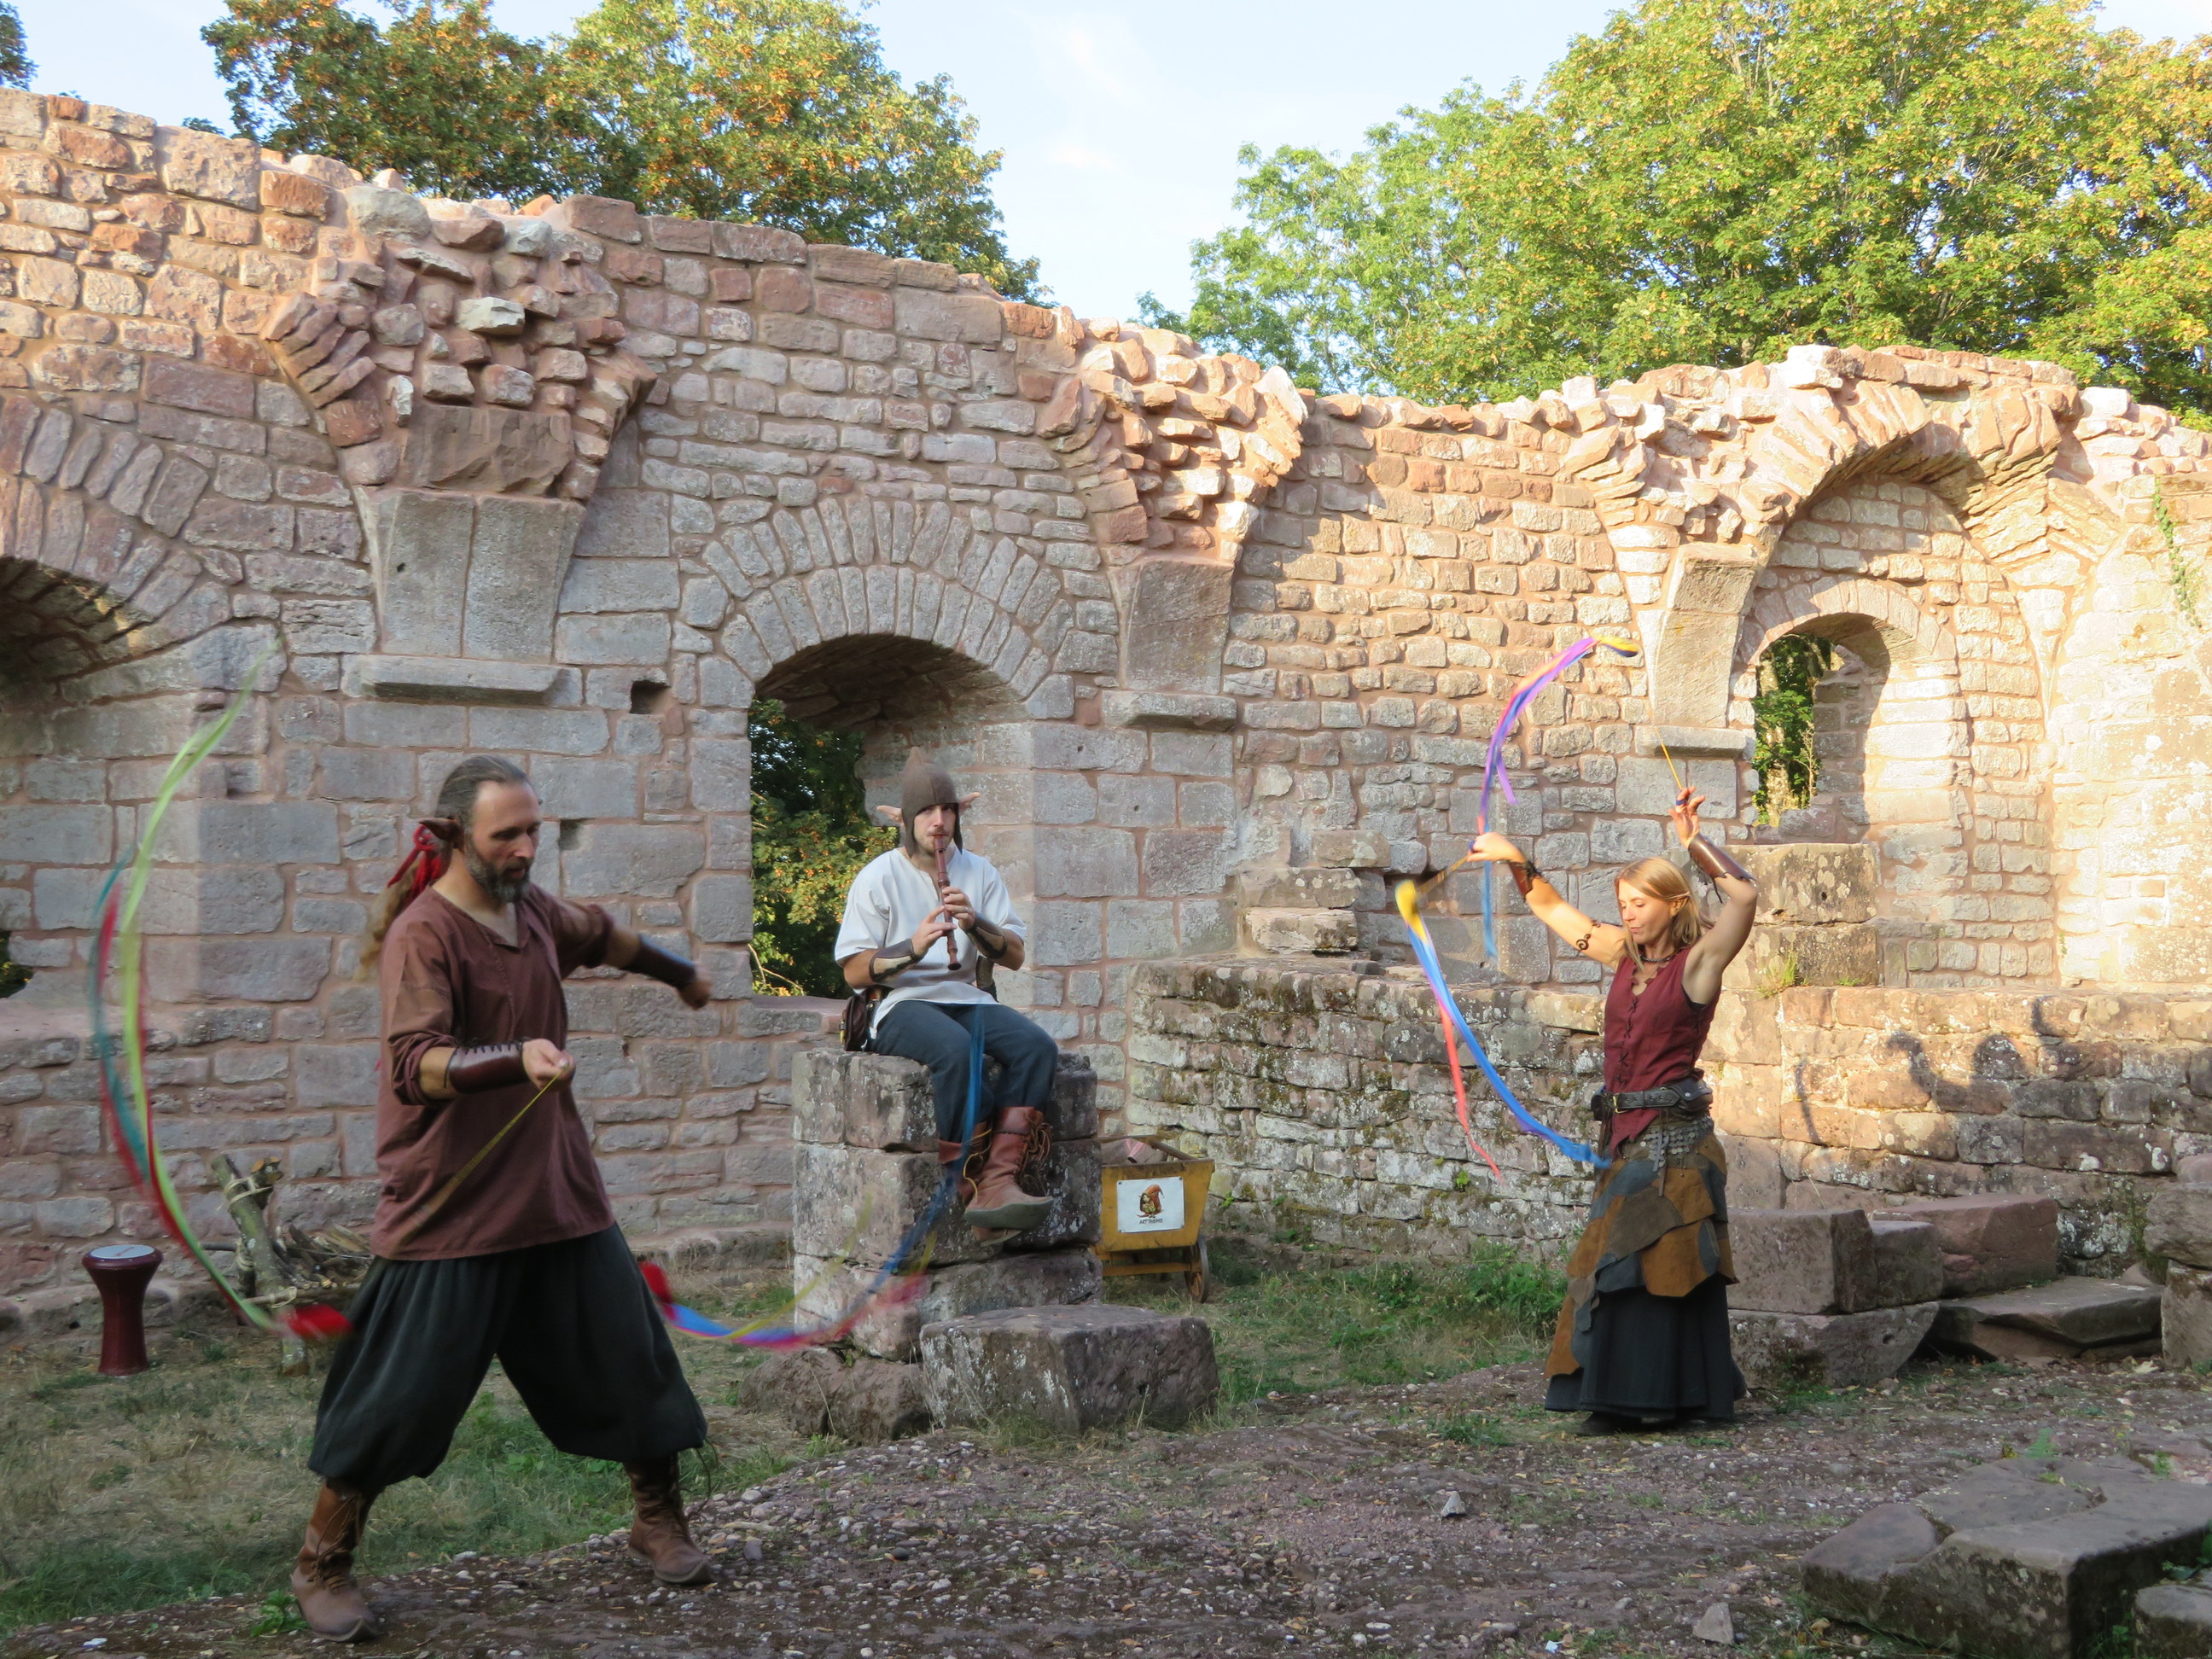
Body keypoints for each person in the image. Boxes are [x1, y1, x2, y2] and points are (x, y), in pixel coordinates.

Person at [292, 755, 720, 1641]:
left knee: (629, 1358)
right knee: (395, 1395)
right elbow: (415, 1067)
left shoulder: (535, 914)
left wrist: (680, 973)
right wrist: (514, 1058)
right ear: (455, 837)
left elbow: (606, 937)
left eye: (534, 831)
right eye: (507, 835)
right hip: (452, 1205)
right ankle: (321, 1563)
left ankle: (657, 1520)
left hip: (558, 1193)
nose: (527, 849)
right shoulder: (426, 934)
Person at [1469, 784, 1759, 1433]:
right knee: (1621, 1264)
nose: (1627, 914)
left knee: (1657, 1266)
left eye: (1640, 903)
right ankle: (1641, 1396)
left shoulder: (1699, 963)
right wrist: (1515, 858)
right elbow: (1551, 907)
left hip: (1674, 1144)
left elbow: (1743, 897)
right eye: (1623, 904)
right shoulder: (1621, 955)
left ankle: (1650, 1401)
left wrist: (1693, 842)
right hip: (1624, 1138)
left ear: (1673, 903)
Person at [835, 748, 1059, 1233]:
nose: (938, 822)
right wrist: (913, 948)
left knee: (1037, 1047)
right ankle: (968, 1181)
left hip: (966, 998)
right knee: (957, 1052)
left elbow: (1014, 956)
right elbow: (854, 973)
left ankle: (1000, 1177)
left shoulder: (979, 871)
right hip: (899, 1004)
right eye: (926, 812)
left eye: (947, 810)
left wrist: (974, 923)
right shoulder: (878, 876)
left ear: (959, 814)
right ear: (904, 819)